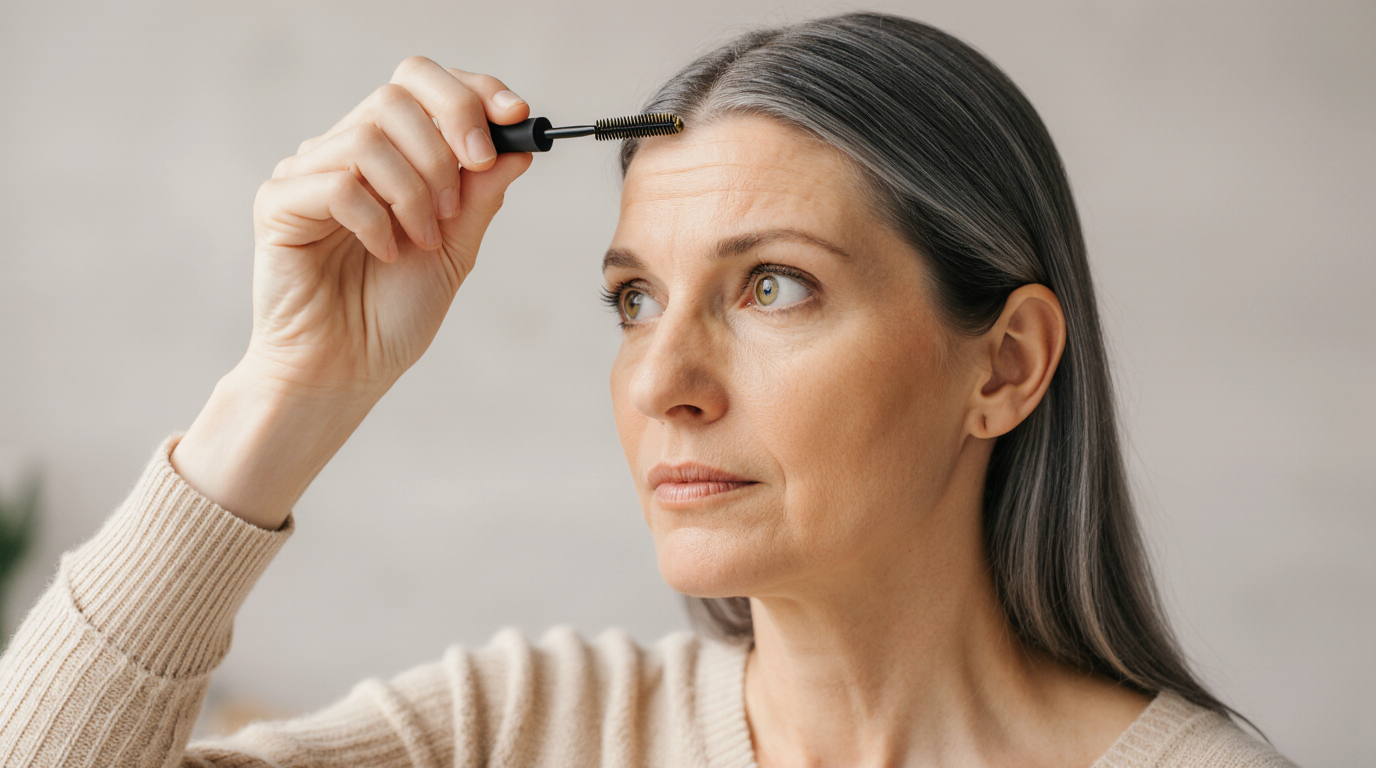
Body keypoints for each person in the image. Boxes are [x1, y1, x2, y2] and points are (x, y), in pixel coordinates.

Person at [0, 12, 1295, 768]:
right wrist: (290, 382)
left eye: (772, 286)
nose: (664, 382)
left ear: (1003, 365)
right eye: (634, 301)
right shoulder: (525, 729)